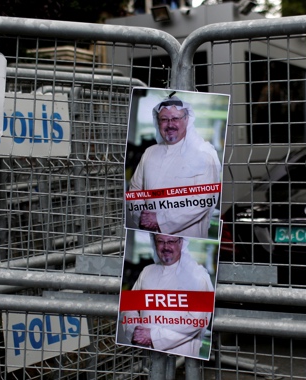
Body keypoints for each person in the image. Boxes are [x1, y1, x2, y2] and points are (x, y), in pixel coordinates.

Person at [127, 94, 221, 239]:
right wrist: (142, 216)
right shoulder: (149, 152)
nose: (170, 124)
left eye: (175, 119)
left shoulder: (204, 155)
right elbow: (135, 189)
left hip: (189, 238)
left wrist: (160, 220)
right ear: (158, 123)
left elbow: (204, 201)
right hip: (152, 236)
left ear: (187, 120)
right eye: (164, 119)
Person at [121, 233, 214, 358]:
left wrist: (153, 336)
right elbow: (129, 307)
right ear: (155, 243)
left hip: (182, 356)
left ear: (181, 243)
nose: (165, 247)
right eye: (160, 241)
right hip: (144, 354)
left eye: (171, 241)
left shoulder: (198, 276)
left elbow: (196, 322)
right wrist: (135, 329)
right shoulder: (147, 271)